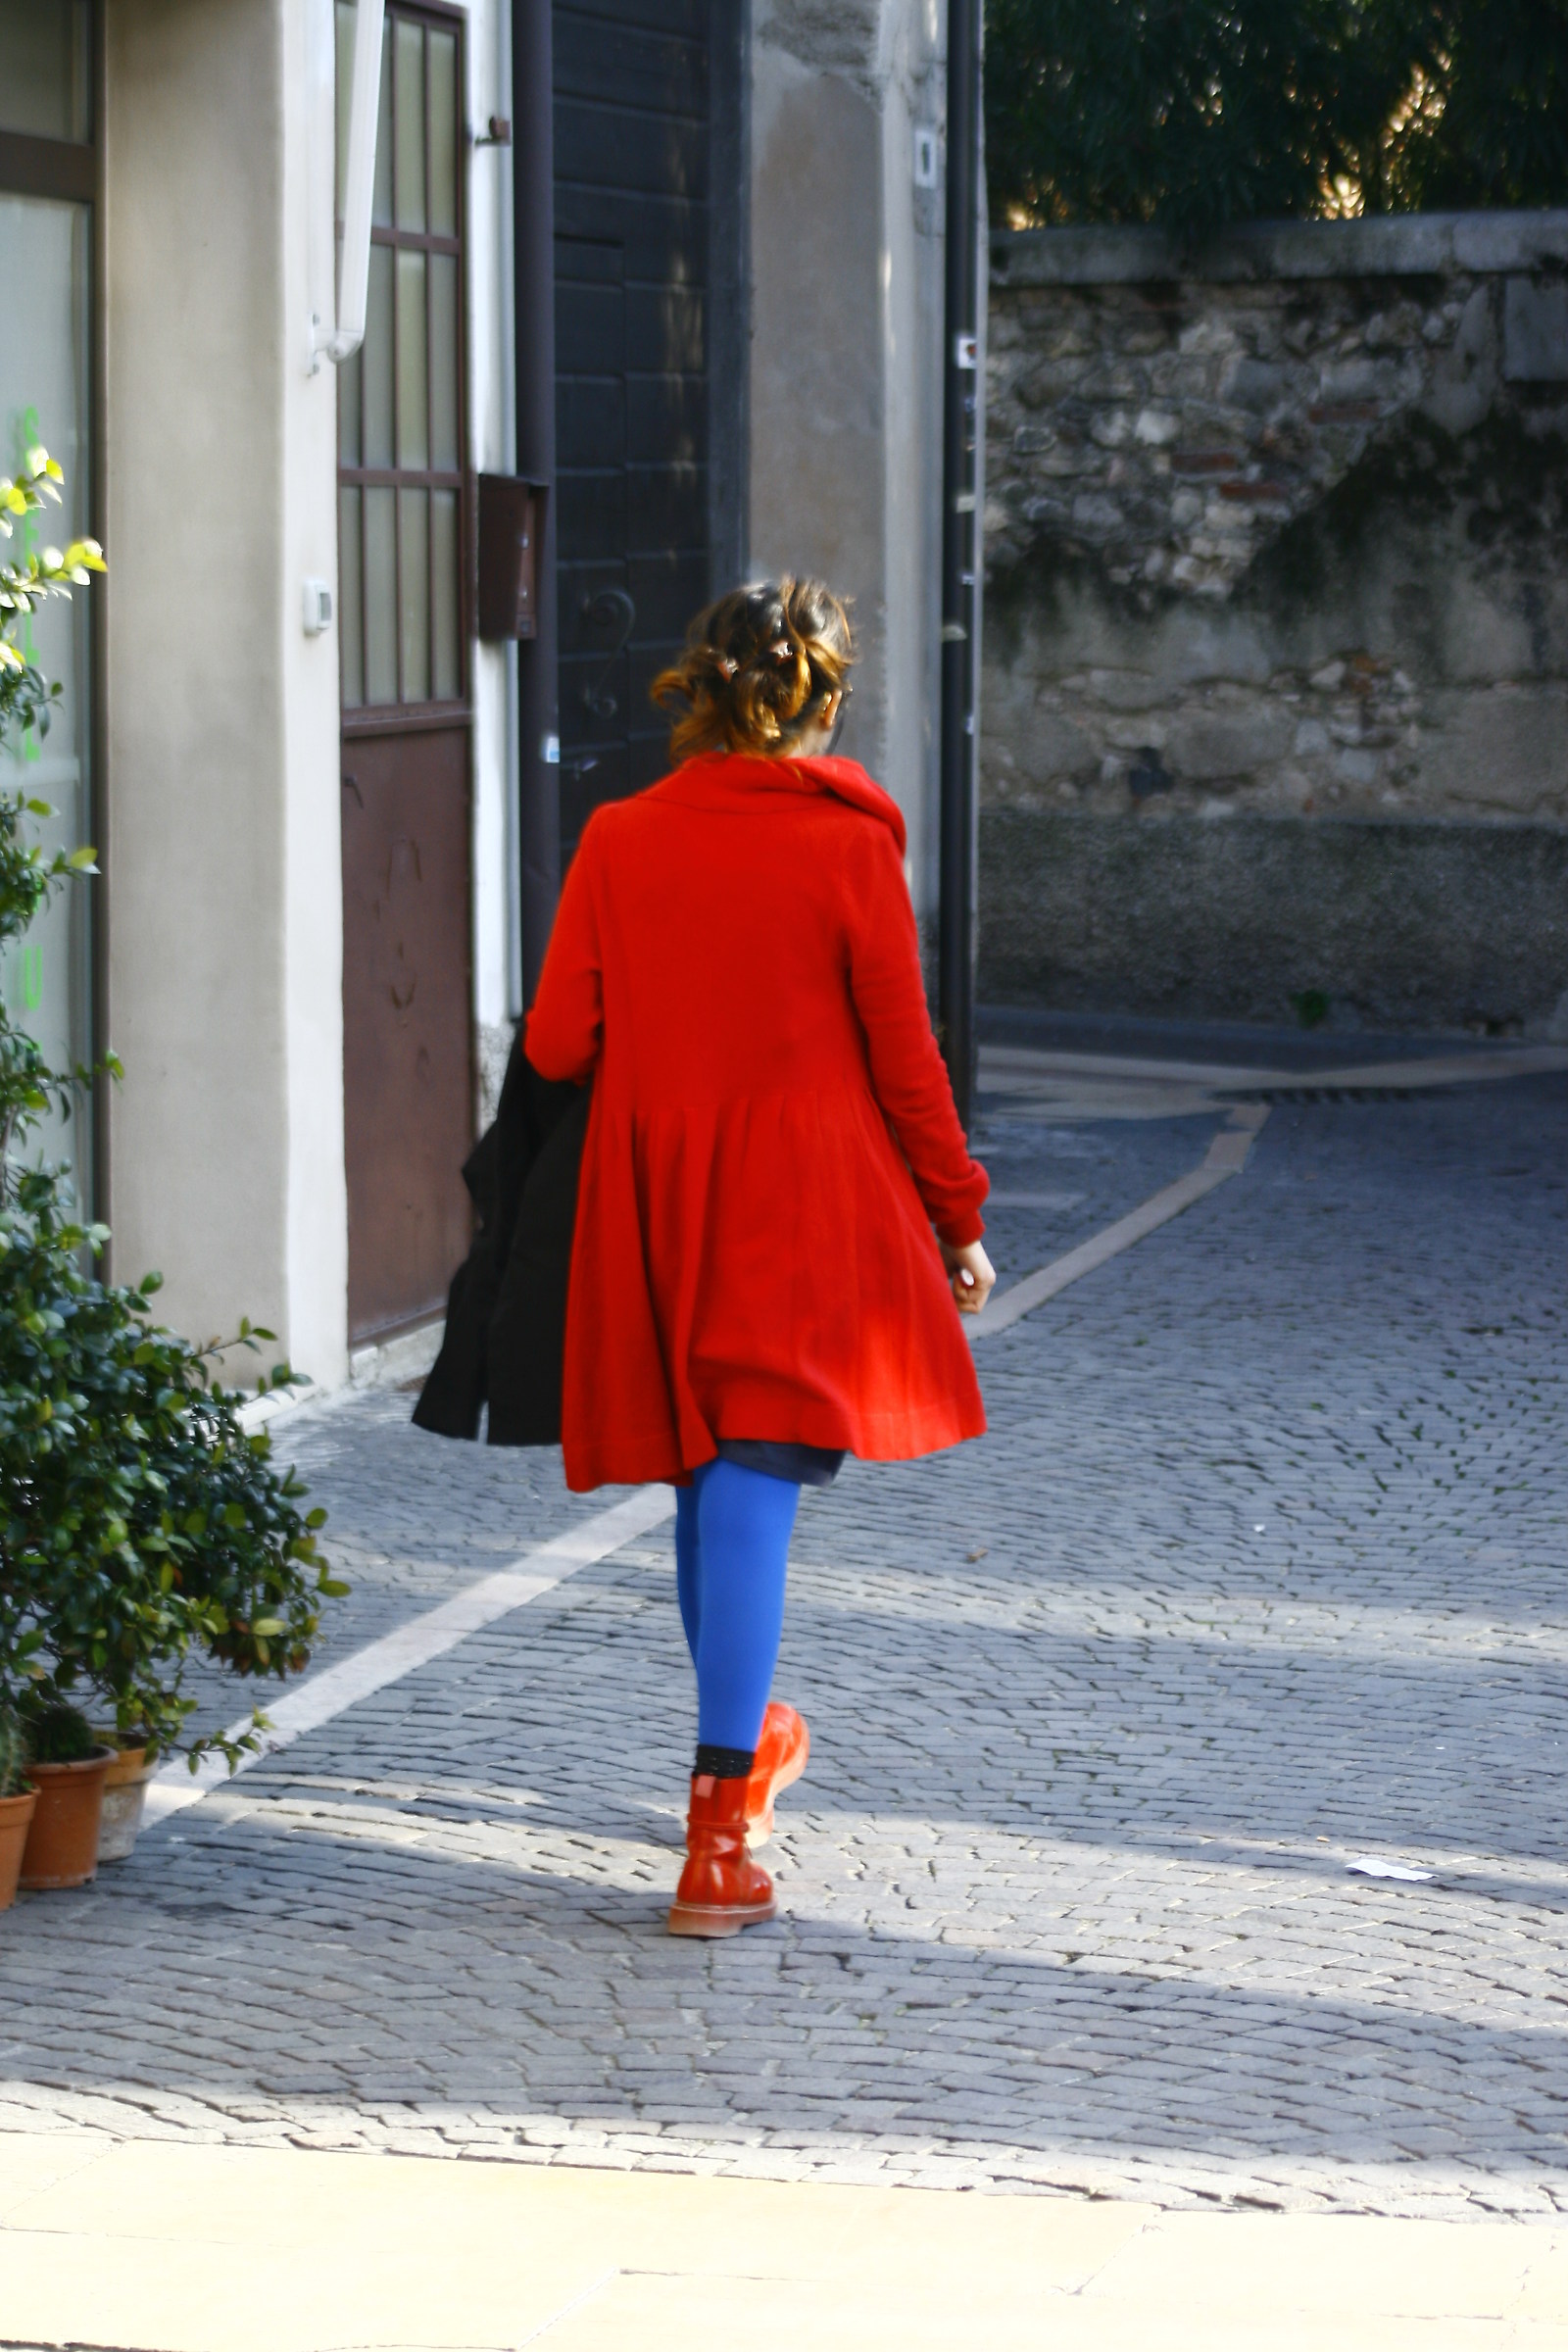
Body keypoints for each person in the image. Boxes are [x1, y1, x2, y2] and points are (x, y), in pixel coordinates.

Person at [524, 577, 995, 1937]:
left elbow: (556, 1043)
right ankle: (717, 1836)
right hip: (799, 1201)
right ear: (824, 699)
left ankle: (750, 1745)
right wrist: (957, 1215)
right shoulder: (847, 843)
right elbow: (905, 1057)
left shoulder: (620, 836)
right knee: (751, 1473)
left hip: (657, 1196)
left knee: (706, 1473)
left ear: (701, 687)